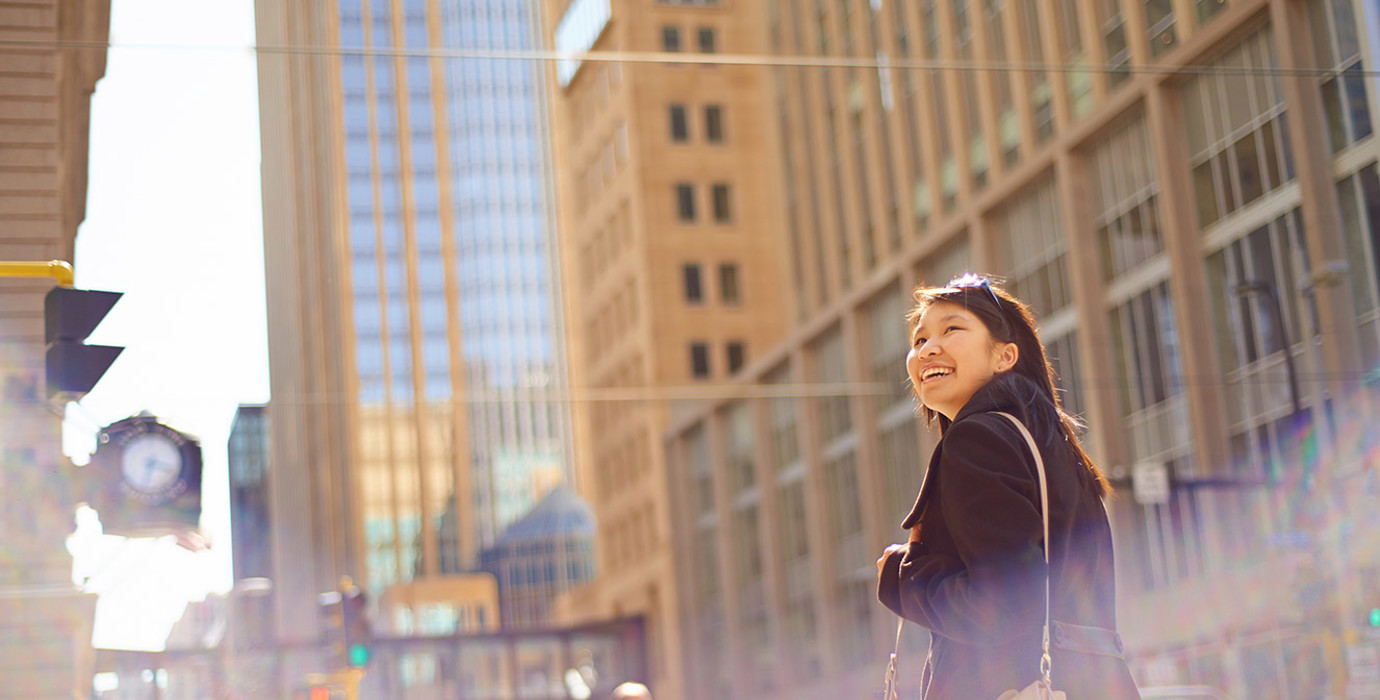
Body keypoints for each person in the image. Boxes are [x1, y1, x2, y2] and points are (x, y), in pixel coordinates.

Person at [875, 274, 1140, 699]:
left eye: (951, 329)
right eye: (919, 339)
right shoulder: (1048, 442)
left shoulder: (976, 439)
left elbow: (1004, 605)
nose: (927, 348)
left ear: (1004, 357)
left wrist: (904, 578)